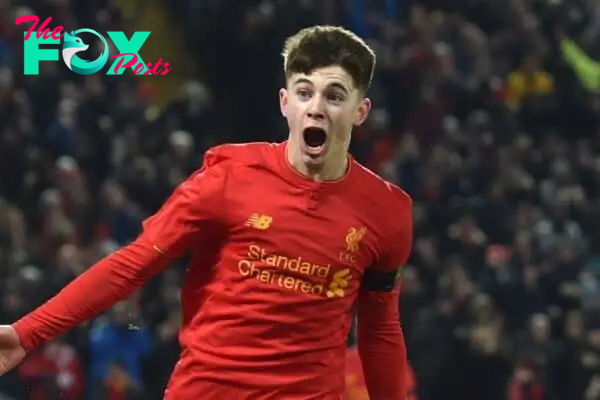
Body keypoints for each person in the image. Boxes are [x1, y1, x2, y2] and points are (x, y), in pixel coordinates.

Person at [0, 25, 413, 399]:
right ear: (285, 103)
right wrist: (26, 334)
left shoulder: (386, 211)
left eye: (335, 95)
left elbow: (380, 332)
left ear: (361, 111)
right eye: (304, 92)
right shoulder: (228, 177)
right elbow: (130, 265)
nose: (317, 107)